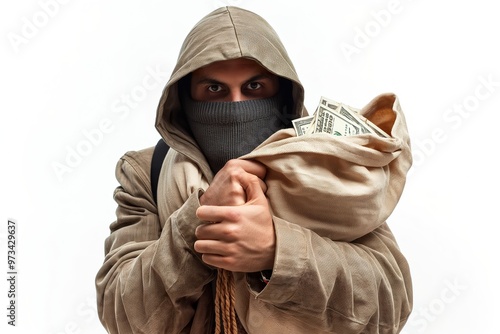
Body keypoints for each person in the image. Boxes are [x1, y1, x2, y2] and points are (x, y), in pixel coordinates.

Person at [95, 6, 413, 334]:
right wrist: (199, 221)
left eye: (254, 88)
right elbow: (122, 316)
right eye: (214, 89)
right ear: (185, 100)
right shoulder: (148, 171)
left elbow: (388, 308)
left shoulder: (326, 164)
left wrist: (278, 252)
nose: (236, 107)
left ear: (283, 95)